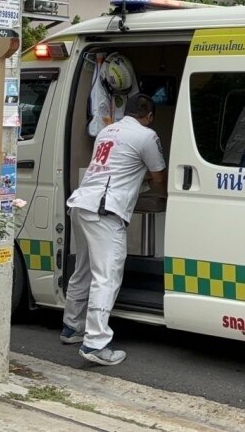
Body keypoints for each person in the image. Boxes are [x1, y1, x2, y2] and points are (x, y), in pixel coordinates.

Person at [60, 93, 167, 366]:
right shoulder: (147, 136)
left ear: (126, 112)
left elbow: (118, 166)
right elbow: (158, 177)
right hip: (105, 211)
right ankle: (96, 343)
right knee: (106, 276)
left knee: (83, 268)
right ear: (150, 116)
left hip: (83, 204)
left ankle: (72, 326)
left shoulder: (108, 131)